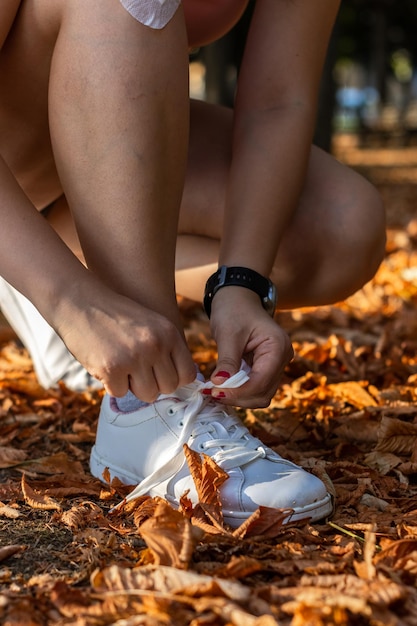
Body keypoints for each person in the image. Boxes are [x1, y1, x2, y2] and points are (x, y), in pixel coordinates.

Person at [0, 0, 385, 527]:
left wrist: (240, 282)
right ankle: (141, 402)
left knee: (340, 227)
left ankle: (60, 268)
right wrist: (71, 302)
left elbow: (278, 101)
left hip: (82, 146)